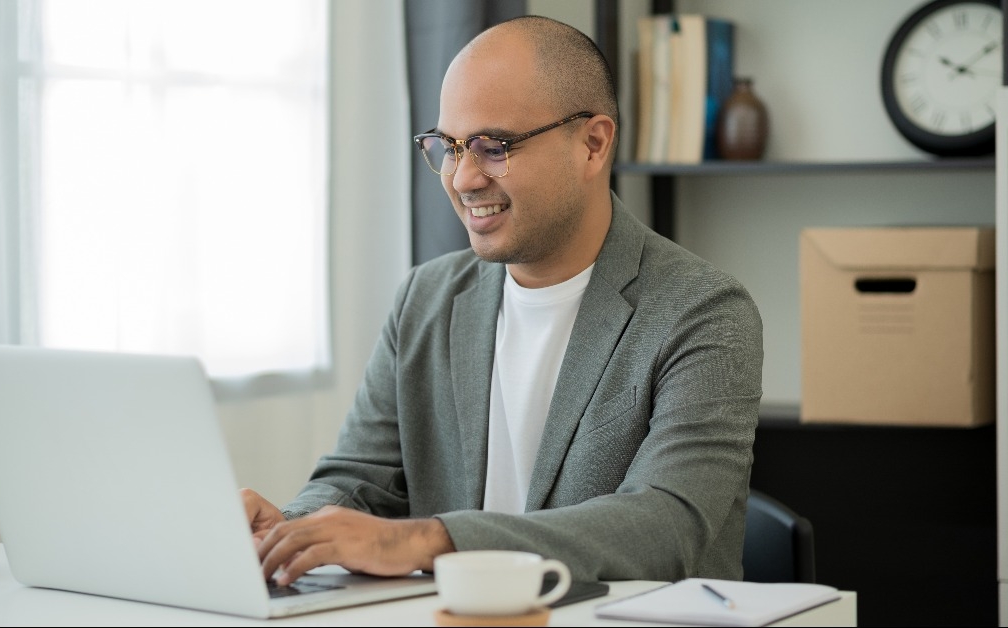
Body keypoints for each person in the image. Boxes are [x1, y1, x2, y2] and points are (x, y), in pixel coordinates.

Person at [243, 15, 763, 587]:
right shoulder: (425, 299)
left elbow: (665, 528)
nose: (463, 178)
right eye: (449, 147)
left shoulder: (705, 313)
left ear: (592, 145)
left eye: (494, 147)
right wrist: (287, 532)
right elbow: (357, 477)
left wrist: (431, 540)